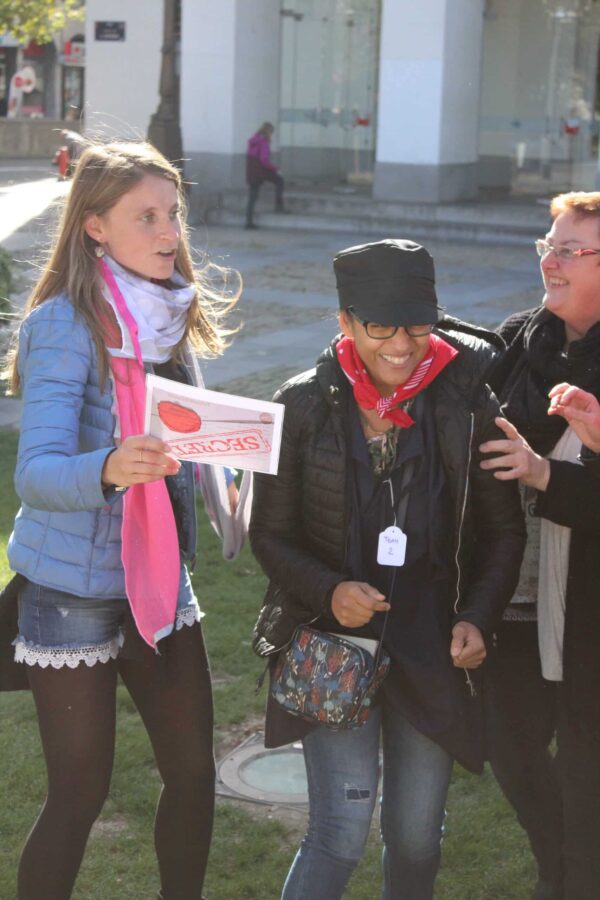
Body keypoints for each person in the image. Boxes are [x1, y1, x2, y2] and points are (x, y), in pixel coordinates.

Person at [3, 140, 244, 900]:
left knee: (194, 775)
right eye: (147, 217)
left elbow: (183, 438)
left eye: (173, 213)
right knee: (80, 796)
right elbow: (36, 474)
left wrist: (230, 458)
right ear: (95, 226)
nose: (169, 231)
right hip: (68, 591)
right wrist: (110, 466)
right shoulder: (62, 323)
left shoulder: (167, 312)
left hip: (159, 582)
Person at [250, 238, 525, 900]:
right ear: (345, 321)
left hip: (432, 646)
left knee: (416, 837)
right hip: (334, 646)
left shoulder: (470, 403)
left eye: (419, 325)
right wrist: (329, 590)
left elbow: (504, 530)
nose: (402, 345)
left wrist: (478, 616)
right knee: (337, 835)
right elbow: (270, 534)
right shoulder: (302, 405)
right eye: (381, 327)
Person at [481, 191, 600, 900]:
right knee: (514, 753)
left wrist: (544, 472)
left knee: (587, 783)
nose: (549, 262)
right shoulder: (516, 342)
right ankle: (557, 871)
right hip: (512, 601)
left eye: (569, 250)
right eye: (547, 247)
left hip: (586, 618)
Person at [245, 121, 286, 229]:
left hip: (252, 171)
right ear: (268, 132)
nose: (271, 135)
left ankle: (248, 222)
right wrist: (276, 169)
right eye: (271, 132)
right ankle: (278, 206)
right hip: (261, 171)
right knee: (279, 180)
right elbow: (264, 160)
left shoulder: (254, 140)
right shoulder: (263, 142)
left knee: (252, 196)